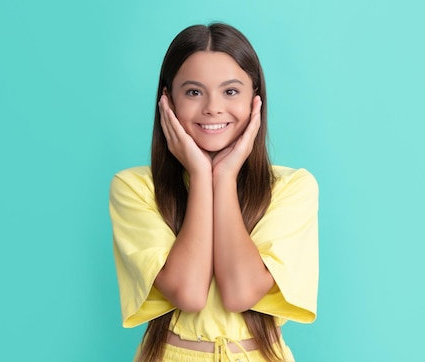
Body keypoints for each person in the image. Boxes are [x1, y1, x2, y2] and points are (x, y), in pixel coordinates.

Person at [109, 23, 319, 362]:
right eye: (194, 92)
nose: (212, 108)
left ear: (256, 99)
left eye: (230, 91)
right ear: (167, 100)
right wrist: (199, 173)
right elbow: (189, 293)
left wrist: (223, 177)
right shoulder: (134, 188)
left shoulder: (291, 188)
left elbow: (240, 293)